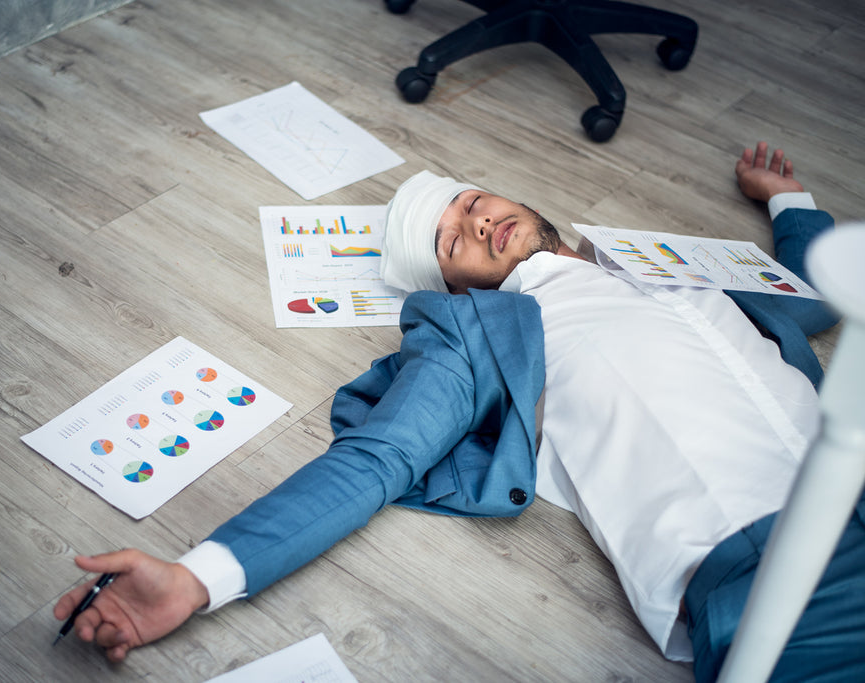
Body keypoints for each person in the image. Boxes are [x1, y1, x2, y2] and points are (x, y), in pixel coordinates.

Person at [54, 143, 862, 680]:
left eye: (469, 199)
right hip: (777, 577)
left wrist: (789, 197)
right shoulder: (481, 329)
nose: (475, 220)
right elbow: (378, 457)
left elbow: (813, 298)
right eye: (452, 242)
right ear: (454, 286)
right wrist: (197, 578)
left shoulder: (656, 270)